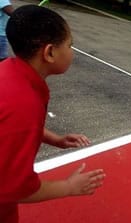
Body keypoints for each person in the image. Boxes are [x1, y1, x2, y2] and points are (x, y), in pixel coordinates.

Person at [0, 5, 106, 222]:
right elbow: (12, 188)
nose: (72, 51)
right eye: (70, 45)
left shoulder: (8, 70)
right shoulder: (23, 103)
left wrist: (55, 139)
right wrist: (68, 186)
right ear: (49, 52)